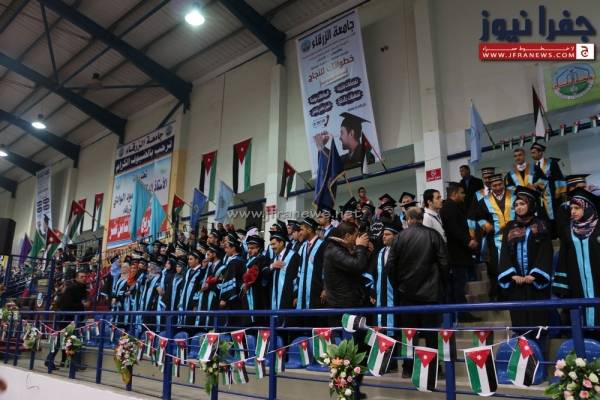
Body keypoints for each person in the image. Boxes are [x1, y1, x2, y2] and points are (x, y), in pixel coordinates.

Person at [385, 207, 448, 378]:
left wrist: (398, 286)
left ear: (408, 218)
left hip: (406, 294)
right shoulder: (433, 235)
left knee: (409, 334)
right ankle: (434, 369)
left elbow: (390, 266)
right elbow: (444, 263)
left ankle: (408, 368)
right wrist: (441, 285)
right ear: (421, 218)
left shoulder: (399, 238)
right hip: (431, 294)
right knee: (431, 334)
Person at [322, 221, 370, 399]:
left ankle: (352, 390)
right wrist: (361, 248)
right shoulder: (334, 251)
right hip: (344, 309)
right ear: (347, 236)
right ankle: (346, 393)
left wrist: (363, 250)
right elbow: (358, 266)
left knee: (355, 353)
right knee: (346, 354)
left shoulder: (338, 249)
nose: (358, 239)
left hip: (349, 306)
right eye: (356, 236)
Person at [498, 186, 553, 329]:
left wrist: (535, 274)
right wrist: (512, 275)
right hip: (517, 284)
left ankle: (539, 343)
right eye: (516, 205)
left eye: (522, 204)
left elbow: (545, 252)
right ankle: (521, 343)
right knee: (519, 320)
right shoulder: (510, 227)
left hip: (535, 283)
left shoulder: (541, 225)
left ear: (531, 205)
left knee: (538, 319)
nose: (518, 207)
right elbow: (504, 252)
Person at [553, 188, 600, 335]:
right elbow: (563, 259)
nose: (572, 211)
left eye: (577, 208)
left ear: (588, 208)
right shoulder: (568, 231)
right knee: (582, 329)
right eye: (571, 208)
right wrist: (563, 287)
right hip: (577, 286)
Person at [469, 173, 515, 301]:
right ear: (490, 186)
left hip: (514, 236)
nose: (498, 187)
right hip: (494, 239)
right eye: (494, 185)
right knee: (496, 267)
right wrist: (485, 224)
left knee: (514, 264)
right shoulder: (484, 201)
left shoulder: (513, 196)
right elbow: (478, 217)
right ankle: (499, 295)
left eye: (500, 184)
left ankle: (514, 293)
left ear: (503, 184)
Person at [440, 182, 480, 322]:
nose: (464, 195)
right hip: (456, 254)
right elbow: (454, 229)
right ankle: (462, 314)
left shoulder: (454, 207)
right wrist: (468, 241)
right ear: (454, 193)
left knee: (459, 285)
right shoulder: (449, 208)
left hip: (460, 253)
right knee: (459, 286)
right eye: (462, 193)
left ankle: (461, 313)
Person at [45, 270, 89, 371]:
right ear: (76, 278)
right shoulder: (73, 288)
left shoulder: (81, 287)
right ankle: (70, 363)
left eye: (85, 276)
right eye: (82, 277)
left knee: (67, 340)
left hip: (72, 318)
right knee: (67, 340)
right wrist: (82, 305)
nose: (84, 278)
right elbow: (67, 304)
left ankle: (64, 361)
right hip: (68, 318)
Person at [366, 222, 401, 336]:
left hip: (395, 295)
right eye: (383, 234)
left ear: (396, 236)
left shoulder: (400, 252)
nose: (384, 236)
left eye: (387, 234)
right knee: (380, 327)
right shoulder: (380, 252)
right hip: (380, 295)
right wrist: (372, 290)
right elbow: (374, 273)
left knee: (396, 327)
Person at [295, 217, 327, 327]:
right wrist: (297, 293)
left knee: (316, 325)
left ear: (309, 230)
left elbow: (326, 268)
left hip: (317, 292)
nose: (299, 232)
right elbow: (299, 270)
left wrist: (325, 288)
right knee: (305, 326)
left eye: (301, 229)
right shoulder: (303, 247)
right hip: (303, 293)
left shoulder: (322, 245)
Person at [530, 141, 566, 236]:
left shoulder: (551, 163)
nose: (532, 155)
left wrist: (560, 191)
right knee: (544, 217)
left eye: (534, 152)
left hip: (553, 194)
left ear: (540, 152)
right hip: (541, 197)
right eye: (531, 153)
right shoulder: (533, 167)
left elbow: (558, 176)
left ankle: (560, 235)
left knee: (557, 215)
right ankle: (550, 236)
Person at [262, 231, 301, 311]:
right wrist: (272, 266)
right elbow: (264, 272)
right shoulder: (275, 259)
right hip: (275, 295)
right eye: (271, 245)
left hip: (288, 296)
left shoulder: (293, 256)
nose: (272, 247)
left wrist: (296, 295)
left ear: (281, 243)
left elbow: (297, 277)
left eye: (274, 244)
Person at [219, 236, 247, 327]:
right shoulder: (239, 260)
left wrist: (224, 298)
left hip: (233, 298)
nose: (225, 250)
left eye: (227, 247)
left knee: (232, 325)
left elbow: (230, 280)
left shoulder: (234, 262)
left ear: (233, 248)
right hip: (238, 296)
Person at [196, 245, 225, 329]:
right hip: (204, 298)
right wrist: (203, 267)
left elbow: (222, 285)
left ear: (214, 254)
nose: (206, 257)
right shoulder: (208, 266)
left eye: (208, 254)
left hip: (214, 299)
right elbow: (198, 281)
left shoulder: (222, 267)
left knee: (212, 326)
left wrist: (209, 286)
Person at [242, 236, 267, 324]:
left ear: (258, 248)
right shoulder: (248, 261)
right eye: (248, 248)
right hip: (249, 294)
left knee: (257, 319)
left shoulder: (262, 259)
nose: (249, 250)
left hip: (258, 293)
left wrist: (248, 283)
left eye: (252, 248)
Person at [178, 250, 205, 329]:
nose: (189, 261)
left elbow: (200, 289)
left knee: (191, 325)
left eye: (191, 259)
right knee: (182, 325)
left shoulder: (201, 272)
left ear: (197, 260)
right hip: (184, 301)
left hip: (193, 303)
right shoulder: (188, 271)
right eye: (188, 259)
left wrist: (196, 304)